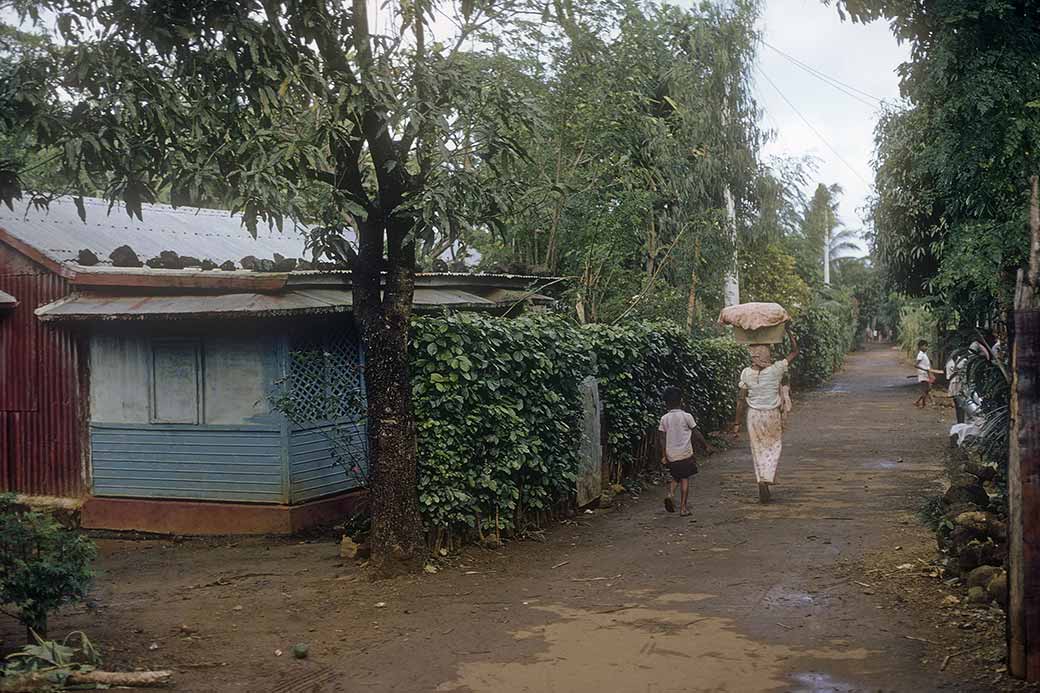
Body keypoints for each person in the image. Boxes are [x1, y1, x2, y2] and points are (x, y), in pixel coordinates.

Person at [731, 325, 799, 504]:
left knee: (757, 449)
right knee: (773, 446)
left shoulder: (746, 373)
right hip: (771, 415)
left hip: (753, 416)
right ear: (767, 354)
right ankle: (766, 477)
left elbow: (740, 400)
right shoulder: (776, 369)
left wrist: (736, 423)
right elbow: (795, 352)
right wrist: (788, 331)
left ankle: (761, 479)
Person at [657, 386, 708, 517]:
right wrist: (705, 446)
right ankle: (683, 508)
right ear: (681, 401)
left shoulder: (664, 419)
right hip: (685, 454)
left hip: (671, 455)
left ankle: (670, 494)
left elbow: (662, 438)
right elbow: (696, 433)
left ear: (666, 403)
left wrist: (664, 455)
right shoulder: (687, 416)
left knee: (676, 476)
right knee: (684, 479)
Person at [914, 340, 942, 408]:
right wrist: (925, 369)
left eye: (927, 346)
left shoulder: (924, 354)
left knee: (928, 389)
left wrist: (930, 372)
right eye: (925, 346)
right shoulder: (920, 355)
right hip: (923, 374)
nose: (926, 348)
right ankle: (923, 404)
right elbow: (916, 365)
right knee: (925, 389)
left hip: (926, 374)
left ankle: (918, 402)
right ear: (920, 347)